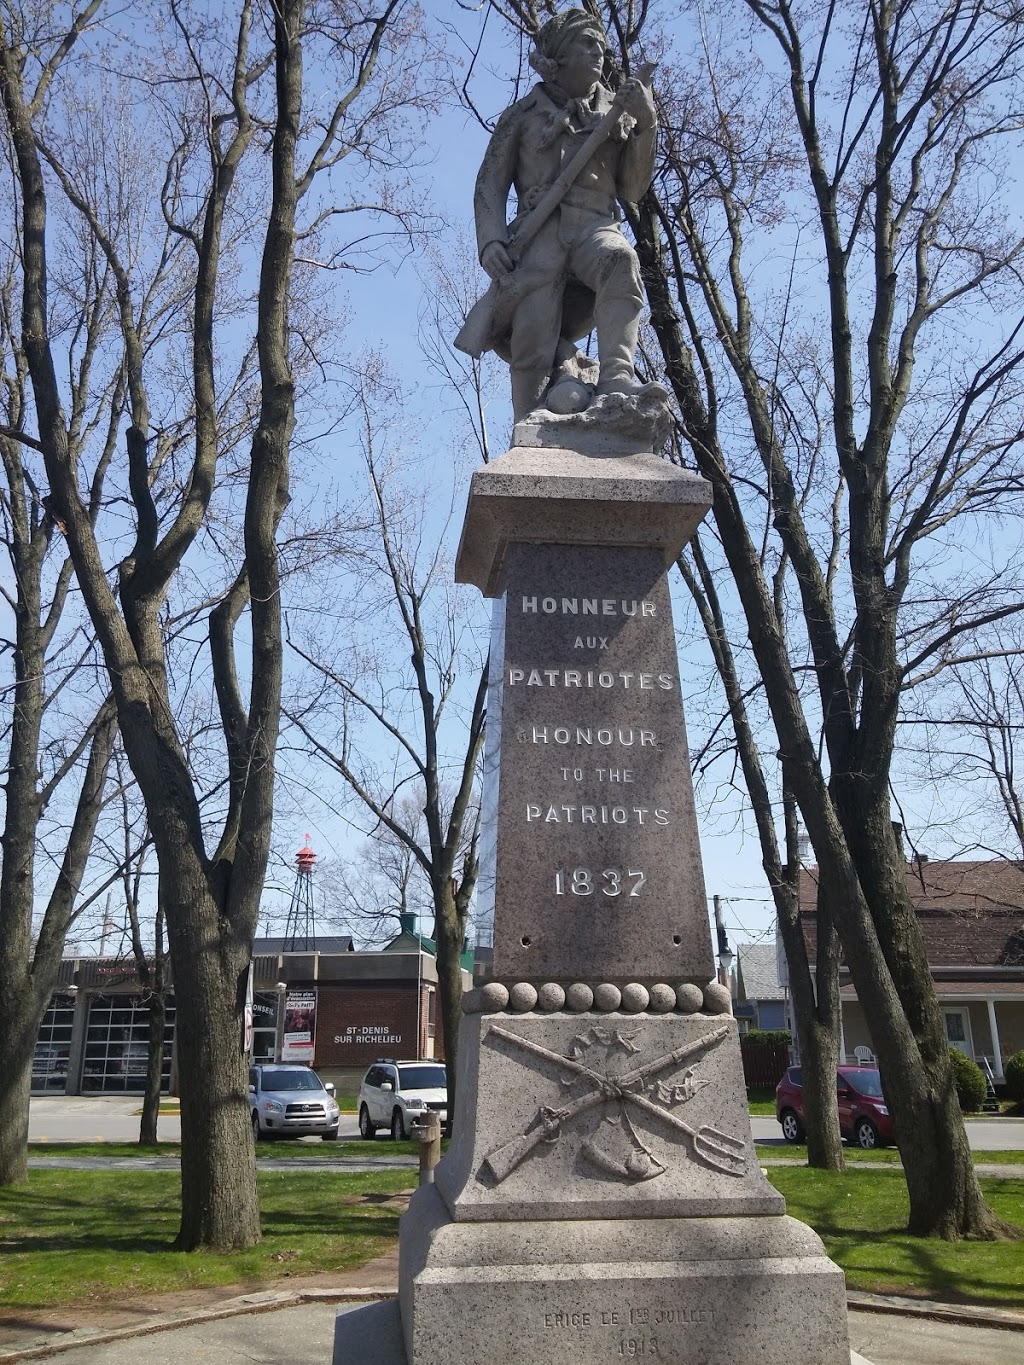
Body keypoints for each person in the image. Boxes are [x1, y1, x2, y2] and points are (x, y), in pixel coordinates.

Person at [470, 9, 658, 421]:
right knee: (532, 337)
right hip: (539, 235)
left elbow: (632, 188)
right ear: (559, 55)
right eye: (586, 42)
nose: (599, 51)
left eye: (601, 44)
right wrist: (491, 242)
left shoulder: (618, 110)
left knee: (621, 260)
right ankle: (530, 424)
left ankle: (616, 377)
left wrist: (645, 125)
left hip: (596, 224)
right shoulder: (521, 116)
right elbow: (489, 186)